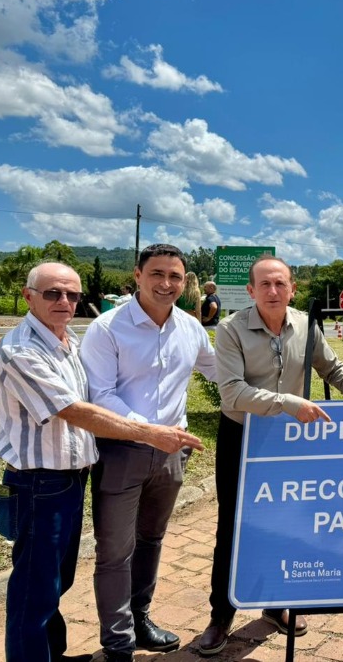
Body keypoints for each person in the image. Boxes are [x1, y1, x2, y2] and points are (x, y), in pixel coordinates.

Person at [0, 262, 203, 662]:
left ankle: (51, 654)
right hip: (37, 482)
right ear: (28, 296)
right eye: (52, 293)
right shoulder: (20, 350)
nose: (64, 301)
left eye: (72, 294)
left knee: (55, 580)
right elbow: (74, 410)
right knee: (34, 589)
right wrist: (149, 433)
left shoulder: (67, 340)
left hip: (71, 479)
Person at [198, 255, 343, 656]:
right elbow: (232, 392)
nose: (273, 291)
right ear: (251, 290)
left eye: (280, 284)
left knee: (287, 522)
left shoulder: (307, 326)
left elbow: (332, 367)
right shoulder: (230, 329)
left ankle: (276, 603)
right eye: (264, 284)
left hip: (290, 442)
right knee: (234, 526)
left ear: (293, 289)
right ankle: (220, 614)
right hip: (243, 437)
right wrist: (290, 403)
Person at [80, 244, 217, 662]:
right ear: (137, 276)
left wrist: (276, 393)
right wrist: (149, 432)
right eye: (157, 274)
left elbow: (219, 371)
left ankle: (140, 619)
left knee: (151, 539)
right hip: (121, 450)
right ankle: (118, 643)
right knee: (114, 551)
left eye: (175, 276)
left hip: (172, 454)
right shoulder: (107, 328)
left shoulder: (190, 328)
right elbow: (100, 395)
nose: (166, 284)